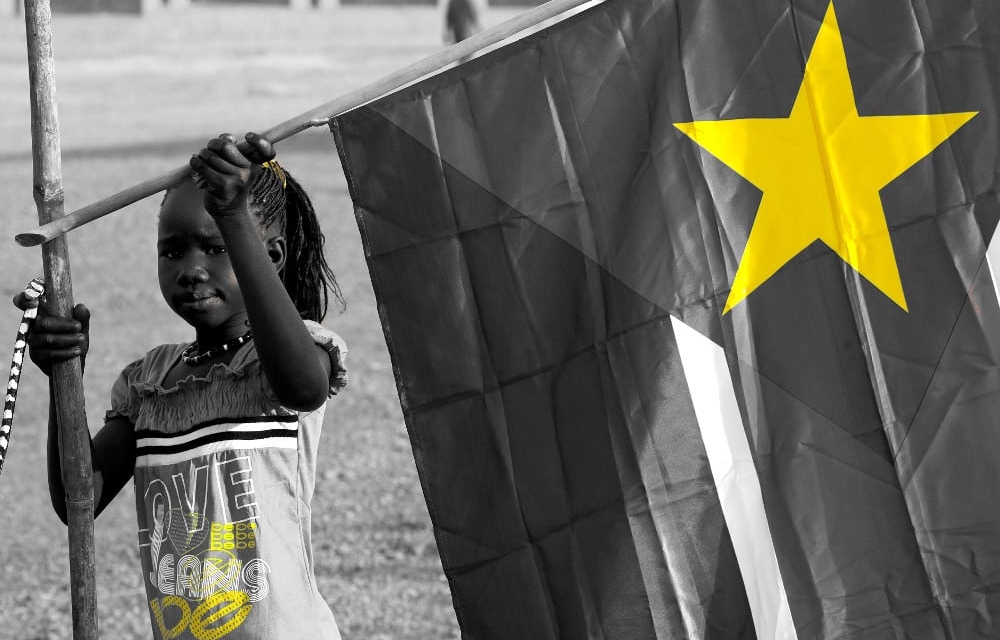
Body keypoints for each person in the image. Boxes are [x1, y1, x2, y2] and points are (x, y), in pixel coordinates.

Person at [15, 132, 348, 640]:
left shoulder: (284, 357)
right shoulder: (152, 383)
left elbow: (304, 389)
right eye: (171, 251)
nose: (191, 271)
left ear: (272, 255)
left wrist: (234, 215)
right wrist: (65, 376)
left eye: (215, 247)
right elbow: (77, 498)